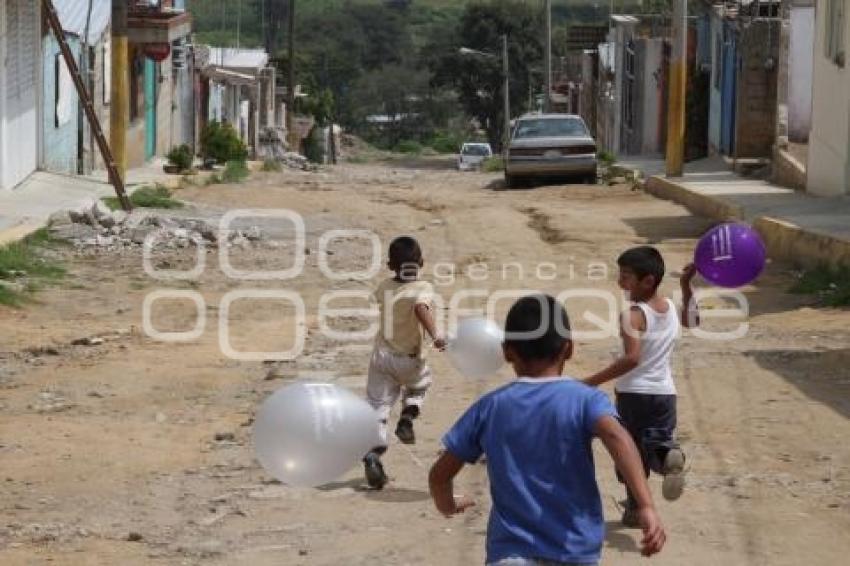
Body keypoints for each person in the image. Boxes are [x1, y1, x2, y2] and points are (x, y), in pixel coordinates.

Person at [429, 295, 666, 565]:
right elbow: (617, 437)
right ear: (569, 349)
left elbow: (439, 475)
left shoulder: (491, 407)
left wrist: (447, 504)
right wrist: (645, 505)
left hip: (510, 553)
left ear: (507, 352)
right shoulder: (585, 399)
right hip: (574, 550)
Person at [584, 246, 699, 527]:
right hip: (664, 394)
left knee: (629, 453)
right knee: (656, 442)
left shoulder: (632, 315)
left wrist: (590, 382)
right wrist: (686, 285)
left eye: (626, 276)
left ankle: (635, 509)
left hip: (633, 394)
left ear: (647, 281)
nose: (620, 281)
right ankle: (669, 458)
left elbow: (632, 358)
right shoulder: (670, 307)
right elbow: (694, 320)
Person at [363, 236, 445, 490]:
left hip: (382, 358)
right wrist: (436, 335)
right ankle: (407, 417)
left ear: (390, 265)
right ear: (421, 262)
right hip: (410, 359)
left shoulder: (384, 287)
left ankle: (374, 454)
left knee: (378, 407)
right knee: (420, 387)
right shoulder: (423, 288)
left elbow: (383, 299)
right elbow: (421, 309)